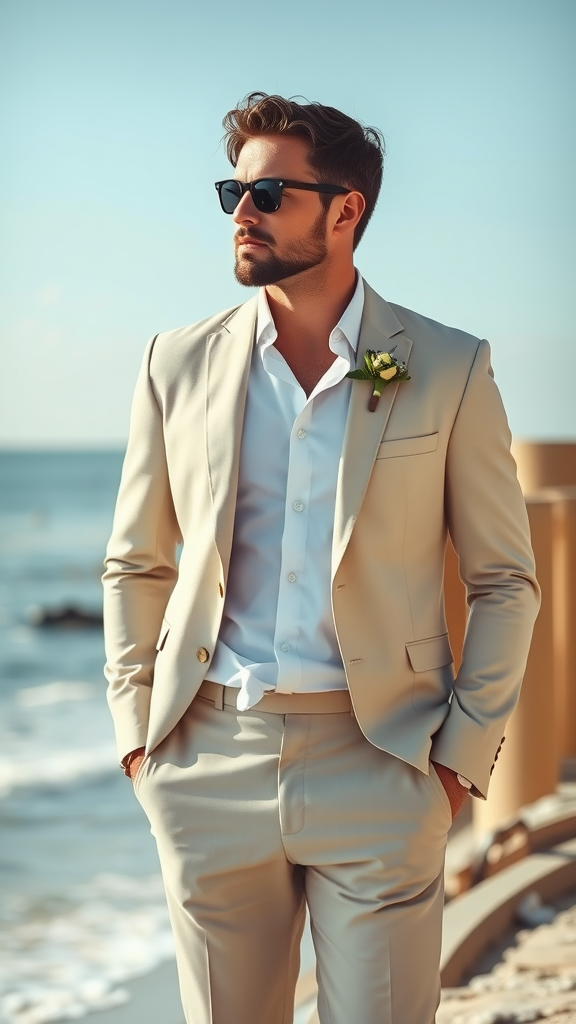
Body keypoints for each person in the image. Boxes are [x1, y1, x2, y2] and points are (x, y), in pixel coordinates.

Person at [103, 92, 540, 1024]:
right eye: (233, 191)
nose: (241, 215)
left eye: (269, 193)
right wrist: (141, 739)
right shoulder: (173, 362)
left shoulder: (446, 365)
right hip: (207, 756)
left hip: (382, 758)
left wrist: (460, 759)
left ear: (347, 211)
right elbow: (138, 562)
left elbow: (505, 580)